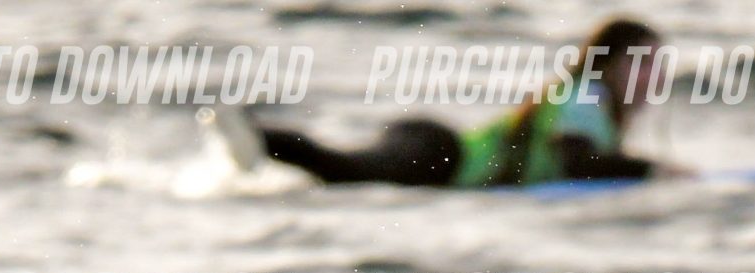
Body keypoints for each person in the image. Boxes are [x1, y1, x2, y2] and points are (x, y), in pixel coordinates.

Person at [211, 18, 674, 190]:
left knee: (342, 170)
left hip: (438, 151)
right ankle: (256, 136)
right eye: (643, 62)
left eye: (658, 64)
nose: (655, 76)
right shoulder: (586, 96)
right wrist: (654, 171)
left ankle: (255, 139)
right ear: (610, 63)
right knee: (344, 170)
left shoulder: (591, 104)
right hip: (441, 158)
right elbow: (579, 163)